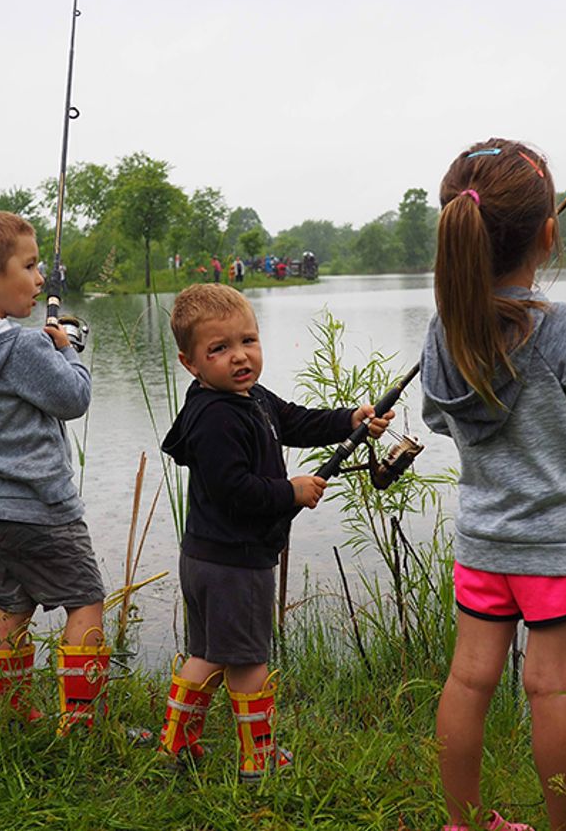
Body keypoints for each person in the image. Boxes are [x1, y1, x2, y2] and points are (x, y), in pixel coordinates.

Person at [420, 140, 566, 831]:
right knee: (551, 690)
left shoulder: (443, 326)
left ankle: (462, 822)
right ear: (548, 235)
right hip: (561, 546)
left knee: (468, 680)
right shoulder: (563, 328)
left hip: (483, 543)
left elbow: (436, 415)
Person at [157, 283, 392, 780]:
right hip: (234, 563)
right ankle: (257, 762)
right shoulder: (218, 417)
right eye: (219, 349)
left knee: (208, 655)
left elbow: (294, 421)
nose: (239, 357)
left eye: (248, 340)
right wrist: (291, 492)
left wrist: (350, 419)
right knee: (248, 663)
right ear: (190, 362)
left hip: (207, 556)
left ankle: (176, 745)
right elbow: (234, 490)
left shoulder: (248, 397)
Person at [0, 208, 145, 740]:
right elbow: (74, 399)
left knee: (12, 609)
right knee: (85, 601)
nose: (41, 278)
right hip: (43, 507)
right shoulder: (22, 345)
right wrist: (67, 353)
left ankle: (13, 717)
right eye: (29, 266)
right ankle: (84, 727)